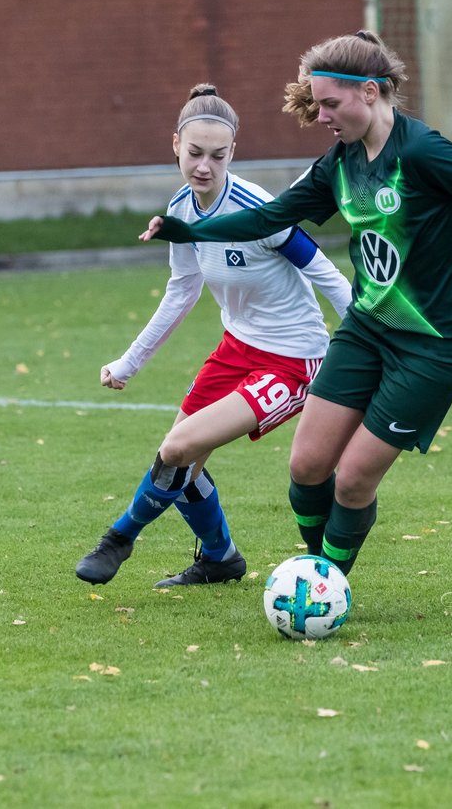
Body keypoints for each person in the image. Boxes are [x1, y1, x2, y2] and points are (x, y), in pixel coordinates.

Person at [141, 32, 452, 578]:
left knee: (352, 480)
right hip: (367, 329)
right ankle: (316, 569)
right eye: (318, 103)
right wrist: (187, 229)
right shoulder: (340, 162)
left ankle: (327, 582)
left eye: (330, 103)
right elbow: (266, 219)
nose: (320, 115)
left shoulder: (423, 152)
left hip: (433, 346)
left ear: (370, 92)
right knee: (306, 467)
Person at [76, 83, 352, 587]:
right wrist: (129, 362)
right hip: (235, 348)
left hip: (293, 359)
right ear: (176, 144)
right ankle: (221, 558)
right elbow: (181, 292)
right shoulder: (181, 209)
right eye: (196, 153)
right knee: (183, 461)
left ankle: (119, 539)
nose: (204, 165)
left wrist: (367, 341)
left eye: (218, 156)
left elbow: (327, 274)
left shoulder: (258, 211)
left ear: (232, 154)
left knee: (179, 449)